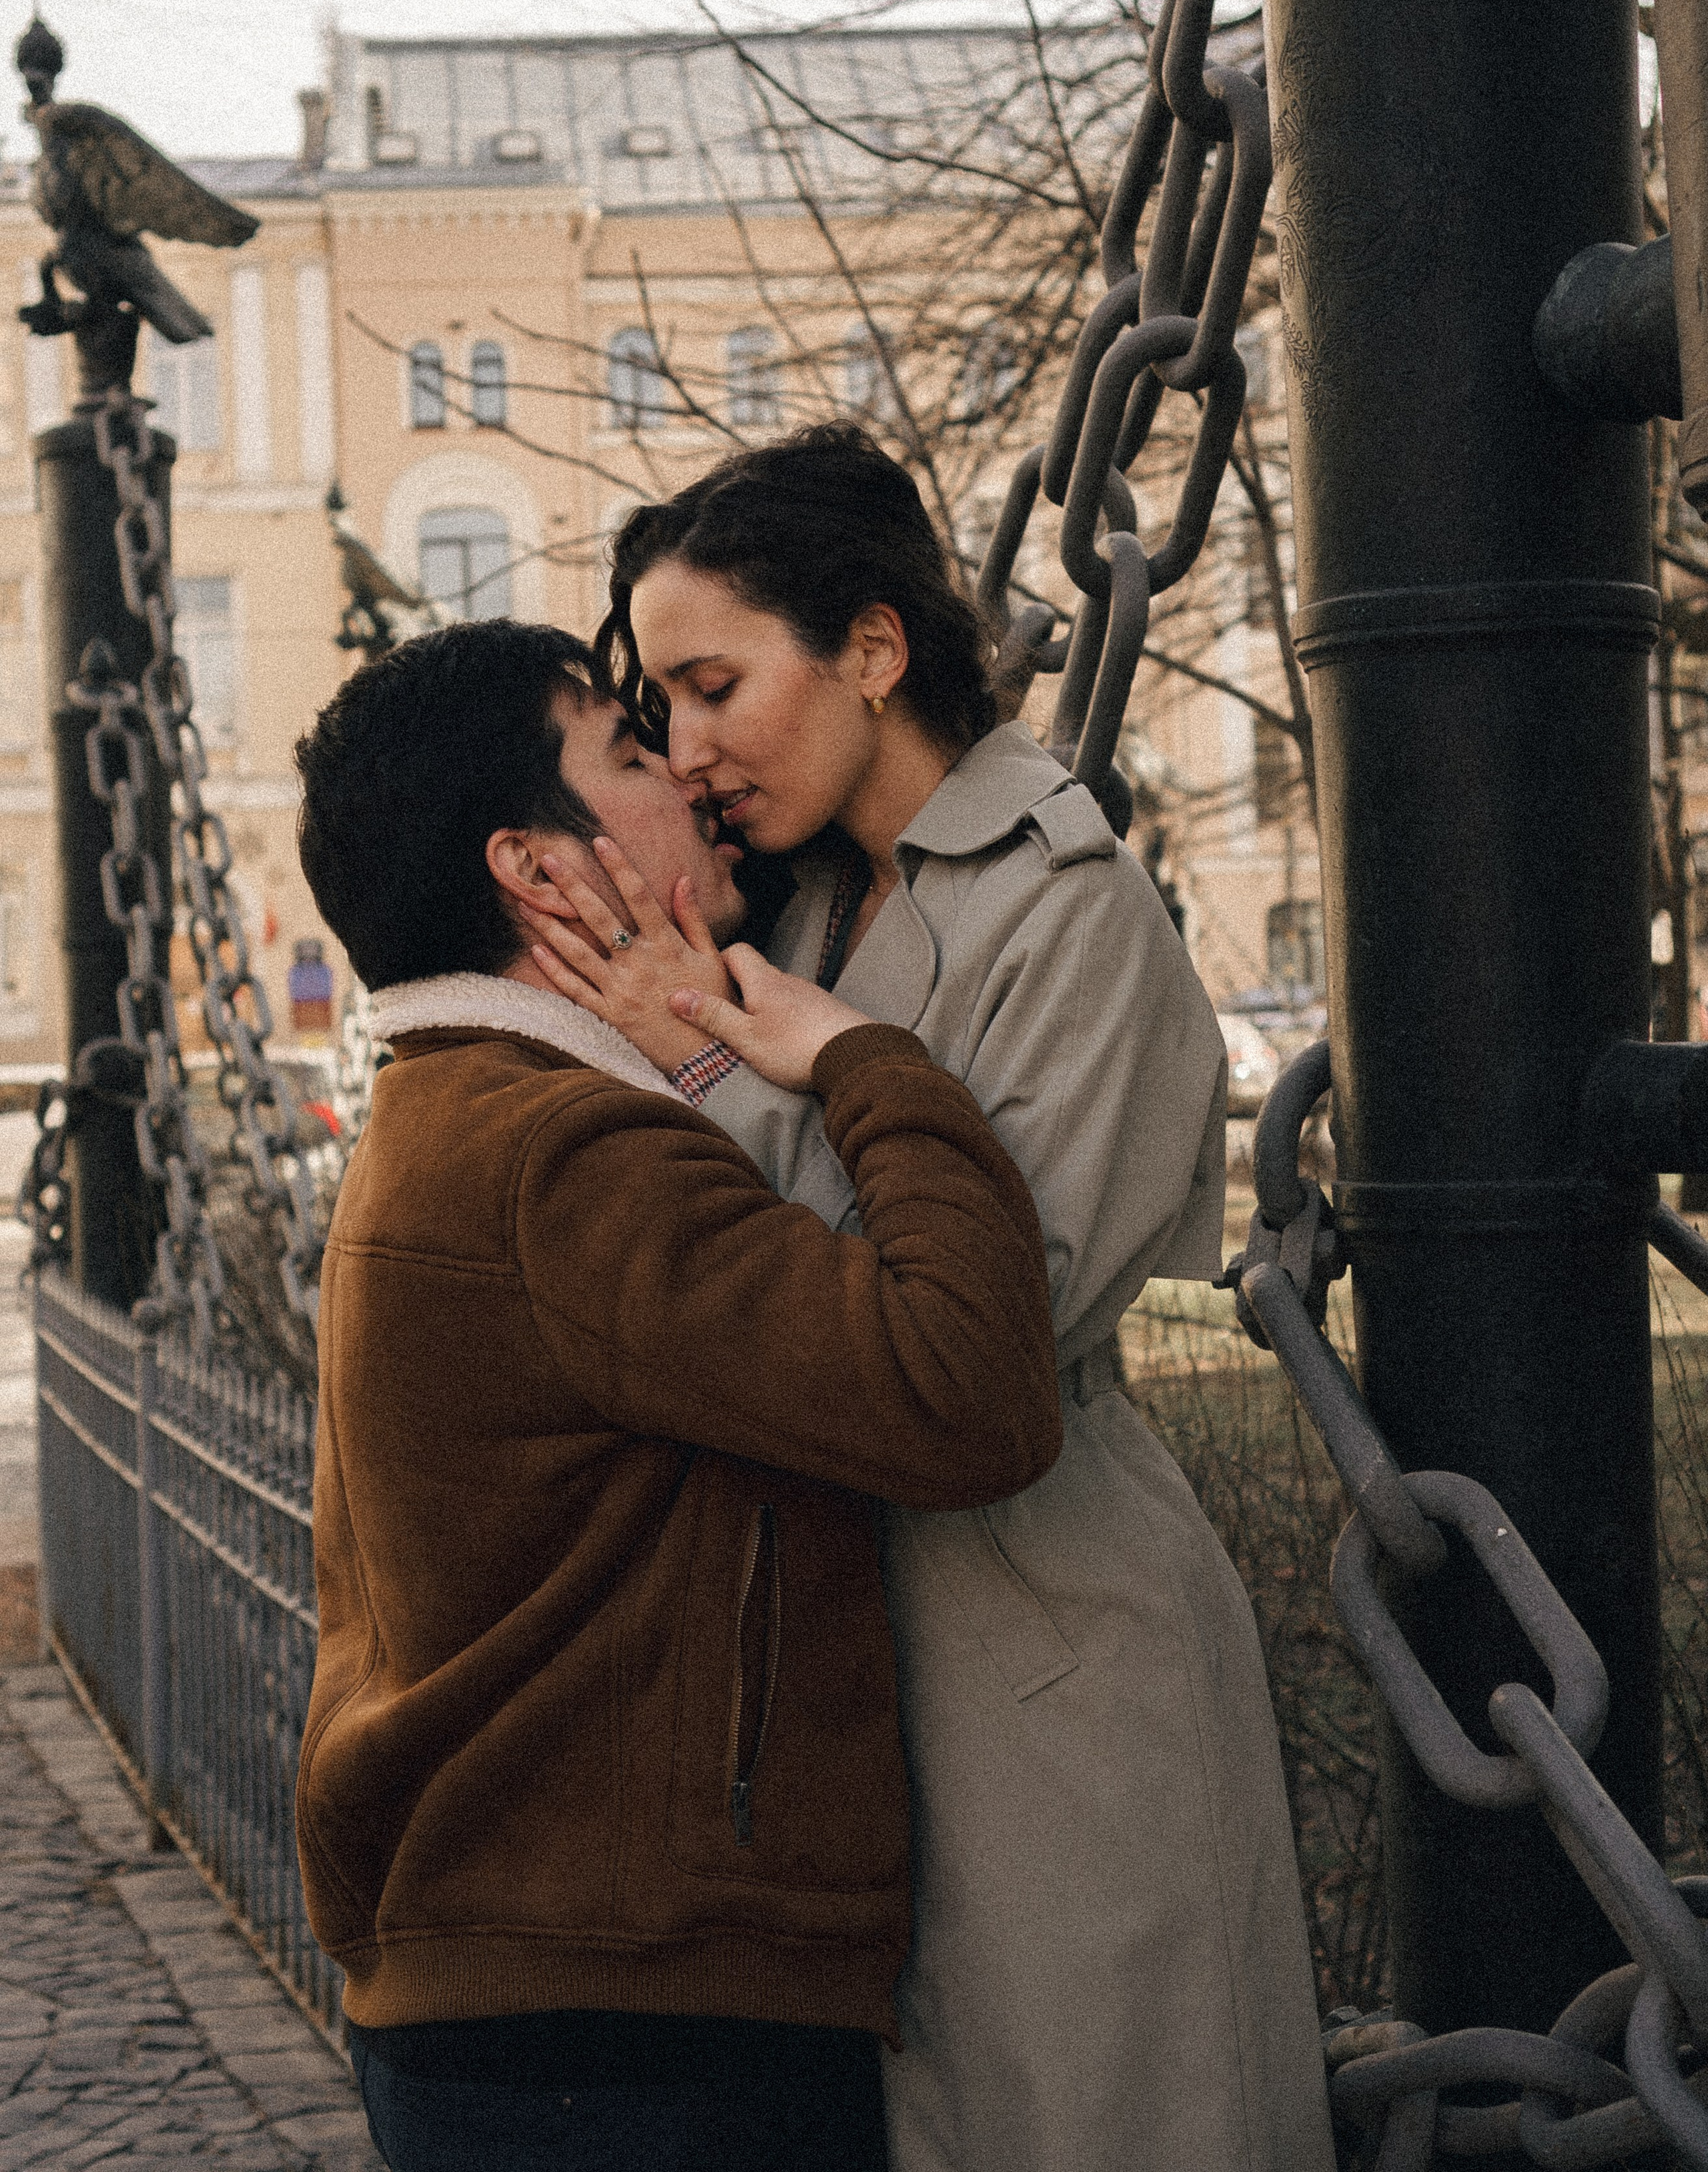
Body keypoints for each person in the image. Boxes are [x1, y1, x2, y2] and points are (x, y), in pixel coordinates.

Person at [526, 426, 1336, 2172]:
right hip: (843, 1666)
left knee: (1100, 2119)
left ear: (875, 652)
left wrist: (704, 1065)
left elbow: (972, 1328)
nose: (685, 744)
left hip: (1044, 1643)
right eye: (656, 701)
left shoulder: (1076, 910)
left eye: (716, 682)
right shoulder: (799, 910)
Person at [290, 617, 1063, 2172]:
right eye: (631, 753)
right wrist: (857, 1056)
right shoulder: (562, 1158)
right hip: (630, 2034)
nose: (691, 784)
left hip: (540, 2003)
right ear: (540, 869)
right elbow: (964, 1390)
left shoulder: (453, 1119)